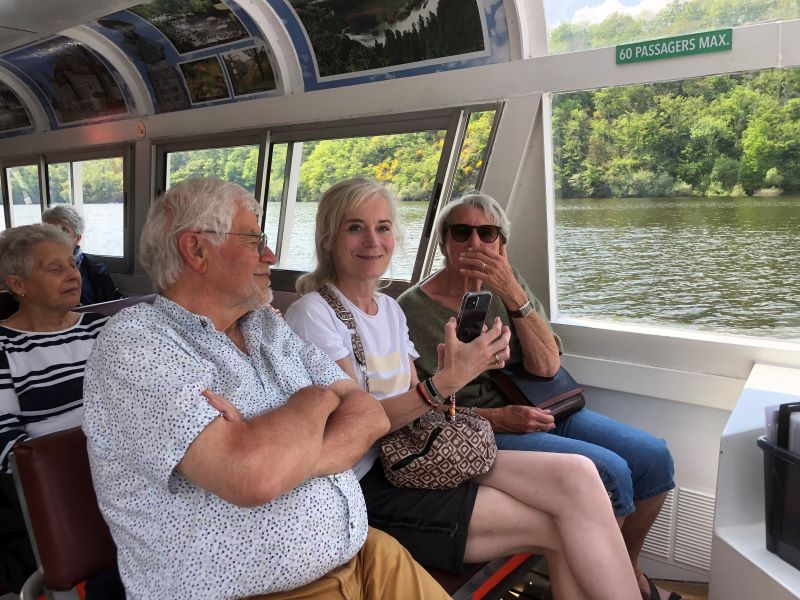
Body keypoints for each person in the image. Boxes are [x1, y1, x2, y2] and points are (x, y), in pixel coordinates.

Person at [81, 178, 449, 600]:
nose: (270, 255)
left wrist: (282, 460)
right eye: (255, 240)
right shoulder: (137, 344)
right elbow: (253, 476)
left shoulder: (268, 326)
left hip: (364, 555)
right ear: (196, 250)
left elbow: (370, 415)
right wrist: (316, 398)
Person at [283, 178, 640, 600]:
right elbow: (360, 426)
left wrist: (467, 366)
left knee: (579, 474)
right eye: (355, 228)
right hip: (370, 481)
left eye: (382, 227)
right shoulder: (313, 315)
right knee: (558, 526)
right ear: (327, 239)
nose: (372, 241)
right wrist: (448, 380)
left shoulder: (391, 311)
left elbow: (427, 405)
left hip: (421, 452)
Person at [397, 191, 678, 600]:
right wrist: (500, 418)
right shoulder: (410, 308)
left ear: (501, 244)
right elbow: (424, 403)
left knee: (654, 458)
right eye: (461, 232)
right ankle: (593, 584)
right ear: (444, 243)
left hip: (542, 404)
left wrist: (510, 291)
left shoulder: (510, 285)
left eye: (487, 233)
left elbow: (547, 366)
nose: (475, 243)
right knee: (611, 472)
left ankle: (625, 566)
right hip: (480, 423)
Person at [0, 223, 109, 593]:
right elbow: (6, 443)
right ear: (18, 285)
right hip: (57, 487)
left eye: (71, 265)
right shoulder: (4, 347)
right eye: (54, 268)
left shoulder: (102, 329)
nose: (72, 275)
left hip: (121, 471)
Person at [42, 204, 123, 305]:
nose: (56, 236)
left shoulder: (95, 269)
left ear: (77, 239)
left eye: (64, 230)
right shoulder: (30, 267)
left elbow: (117, 306)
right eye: (51, 229)